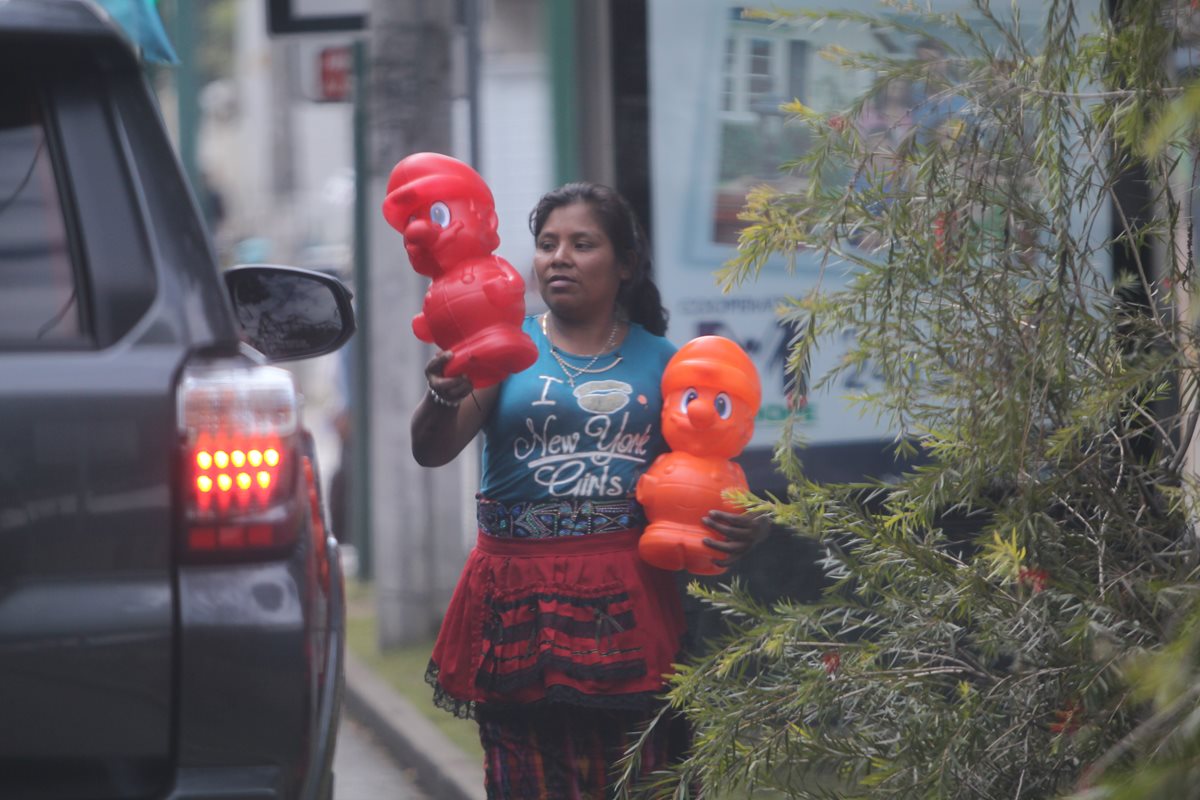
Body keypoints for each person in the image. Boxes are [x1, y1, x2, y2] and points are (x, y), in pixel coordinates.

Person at [411, 182, 770, 798]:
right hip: (514, 604)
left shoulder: (668, 364)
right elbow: (432, 449)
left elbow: (711, 474)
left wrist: (748, 519)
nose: (559, 257)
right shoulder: (504, 349)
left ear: (625, 264)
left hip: (627, 608)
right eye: (547, 244)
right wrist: (441, 396)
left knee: (637, 778)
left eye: (582, 244)